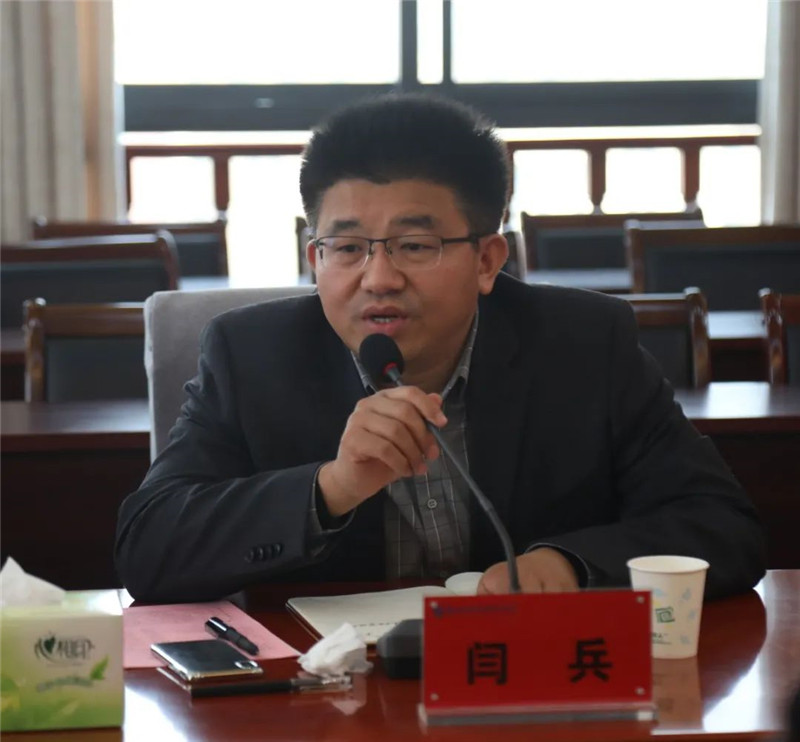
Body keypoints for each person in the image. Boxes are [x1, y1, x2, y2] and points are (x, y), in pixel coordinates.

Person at [115, 93, 765, 603]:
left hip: (526, 684)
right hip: (328, 696)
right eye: (347, 247)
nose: (378, 277)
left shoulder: (585, 344)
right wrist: (330, 488)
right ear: (315, 258)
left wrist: (572, 565)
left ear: (487, 260)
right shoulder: (251, 356)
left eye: (414, 245)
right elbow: (148, 549)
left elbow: (722, 524)